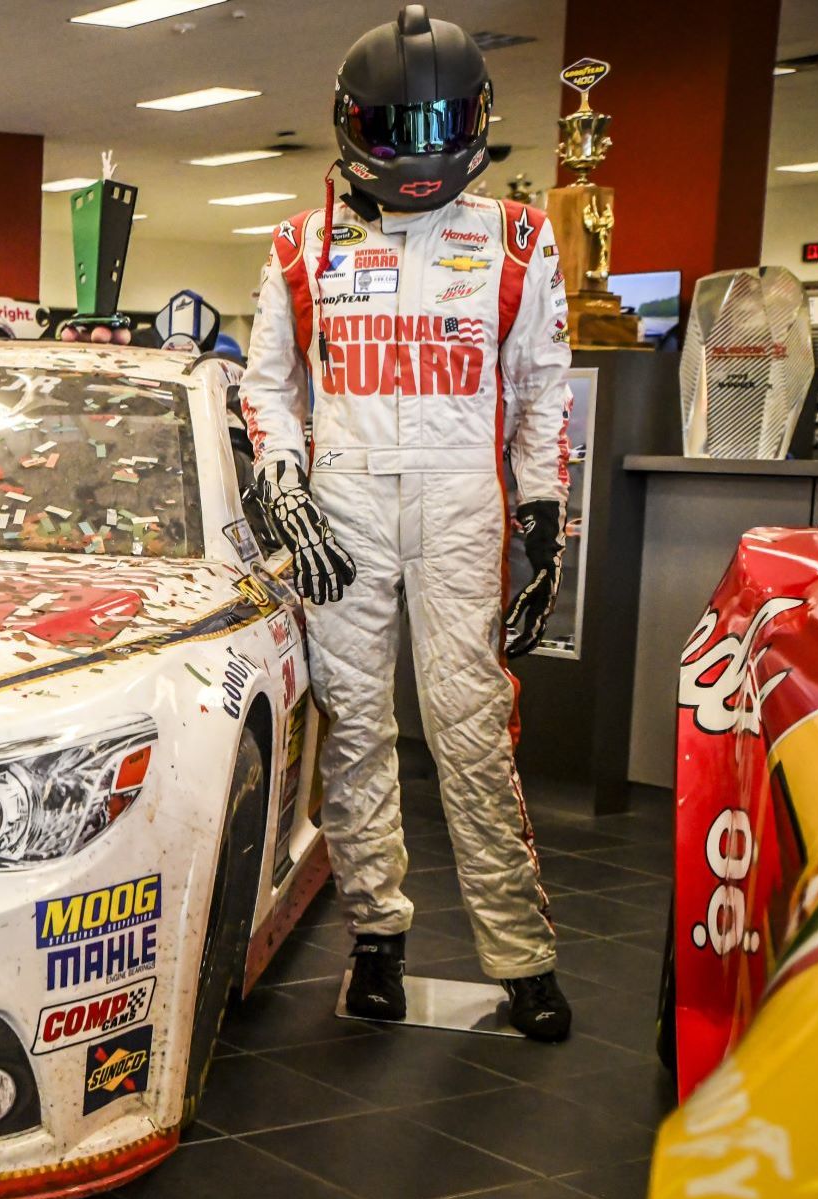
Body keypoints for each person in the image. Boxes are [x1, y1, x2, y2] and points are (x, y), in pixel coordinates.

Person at [236, 4, 574, 1041]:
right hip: (340, 508)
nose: (418, 155)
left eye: (438, 129)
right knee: (356, 730)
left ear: (473, 121)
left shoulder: (519, 238)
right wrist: (283, 483)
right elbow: (266, 386)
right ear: (351, 125)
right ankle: (376, 935)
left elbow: (542, 386)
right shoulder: (299, 247)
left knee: (473, 733)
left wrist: (547, 517)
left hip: (461, 501)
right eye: (394, 131)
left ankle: (521, 954)